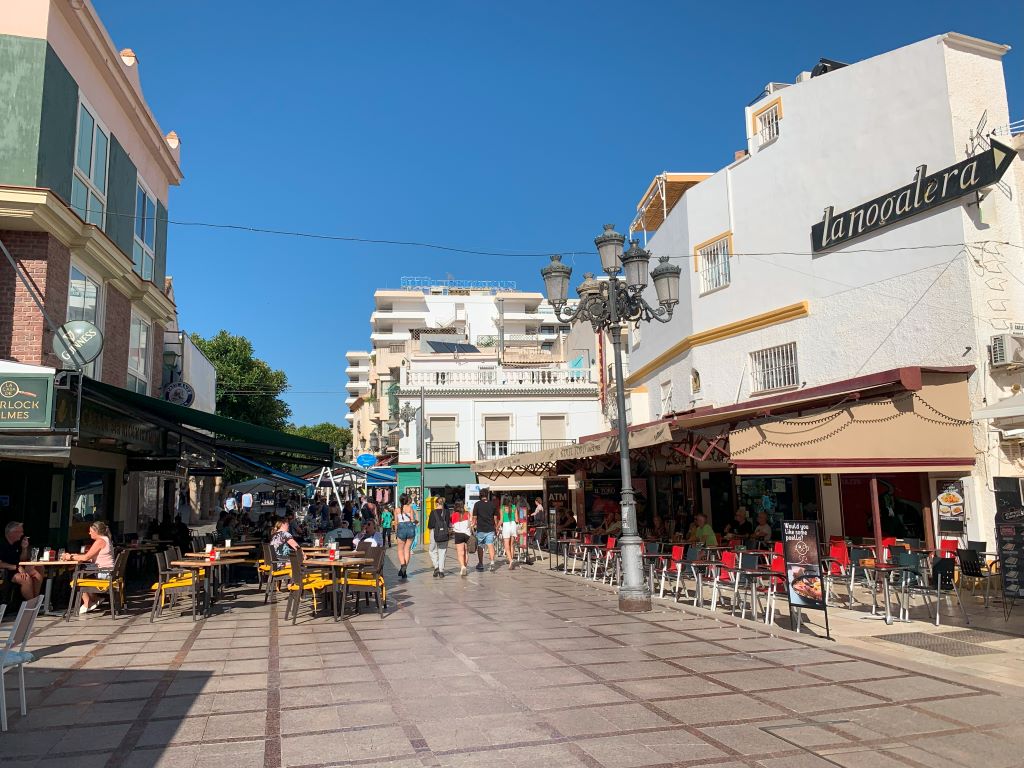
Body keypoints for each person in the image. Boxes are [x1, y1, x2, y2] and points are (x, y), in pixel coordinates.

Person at [60, 521, 115, 614]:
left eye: (90, 531)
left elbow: (86, 557)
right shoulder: (106, 539)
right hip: (108, 572)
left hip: (104, 574)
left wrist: (69, 557)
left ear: (96, 531)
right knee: (81, 571)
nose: (89, 533)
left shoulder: (100, 541)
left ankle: (88, 602)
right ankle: (95, 598)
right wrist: (74, 555)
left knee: (76, 575)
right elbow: (90, 556)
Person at [0, 521, 42, 601]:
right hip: (6, 573)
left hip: (18, 569)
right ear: (12, 533)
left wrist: (24, 548)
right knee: (26, 578)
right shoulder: (2, 544)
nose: (22, 534)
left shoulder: (16, 543)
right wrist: (16, 567)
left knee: (38, 570)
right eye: (20, 532)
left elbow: (22, 559)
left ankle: (35, 601)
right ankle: (31, 604)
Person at [473, 490, 500, 572]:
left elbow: (474, 517)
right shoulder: (492, 504)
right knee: (490, 545)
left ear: (480, 495)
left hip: (480, 529)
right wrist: (496, 527)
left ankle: (480, 563)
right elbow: (495, 518)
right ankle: (492, 562)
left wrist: (473, 525)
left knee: (480, 546)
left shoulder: (477, 504)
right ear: (487, 495)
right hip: (490, 528)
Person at [395, 494, 419, 580]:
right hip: (410, 528)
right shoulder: (410, 508)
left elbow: (396, 523)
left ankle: (402, 565)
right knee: (407, 549)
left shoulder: (397, 510)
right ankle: (404, 570)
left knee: (400, 549)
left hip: (401, 528)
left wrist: (396, 533)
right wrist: (416, 521)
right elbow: (412, 520)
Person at [427, 496, 451, 577]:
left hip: (434, 533)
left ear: (436, 503)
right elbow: (448, 524)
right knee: (442, 551)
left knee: (432, 550)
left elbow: (430, 525)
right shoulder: (447, 512)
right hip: (444, 533)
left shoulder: (433, 512)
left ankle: (436, 566)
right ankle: (441, 571)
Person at [450, 500, 472, 577]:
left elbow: (452, 525)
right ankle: (464, 567)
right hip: (467, 534)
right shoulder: (467, 513)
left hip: (458, 534)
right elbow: (471, 524)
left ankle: (462, 566)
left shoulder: (454, 515)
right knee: (466, 552)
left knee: (460, 552)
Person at [499, 494, 518, 570]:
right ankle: (511, 559)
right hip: (513, 525)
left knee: (506, 545)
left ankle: (510, 560)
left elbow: (501, 520)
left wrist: (497, 527)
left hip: (506, 526)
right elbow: (517, 519)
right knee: (512, 544)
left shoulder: (502, 508)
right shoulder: (514, 507)